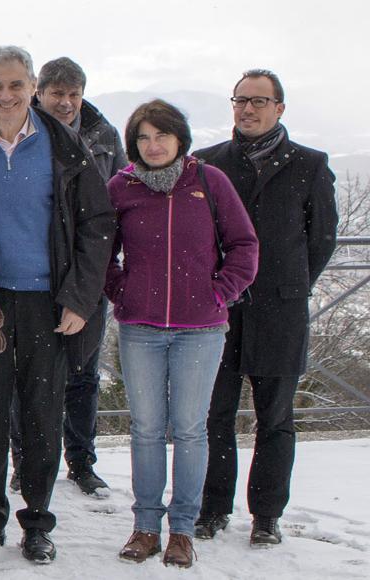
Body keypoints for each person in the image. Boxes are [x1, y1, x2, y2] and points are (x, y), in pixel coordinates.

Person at [0, 46, 114, 565]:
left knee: (42, 413)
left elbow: (97, 226)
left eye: (15, 85)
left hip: (49, 302)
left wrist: (81, 299)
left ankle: (37, 520)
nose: (6, 95)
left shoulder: (66, 147)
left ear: (32, 86)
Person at [106, 99, 260, 569]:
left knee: (191, 431)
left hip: (201, 329)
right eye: (143, 138)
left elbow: (244, 245)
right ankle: (146, 526)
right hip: (141, 328)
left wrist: (220, 293)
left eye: (162, 136)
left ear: (179, 139)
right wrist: (122, 292)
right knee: (147, 430)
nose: (153, 145)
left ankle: (183, 531)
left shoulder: (210, 182)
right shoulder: (121, 187)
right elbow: (100, 253)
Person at [195, 69, 339, 547]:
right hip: (219, 311)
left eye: (259, 101)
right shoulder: (207, 164)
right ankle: (213, 509)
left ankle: (266, 516)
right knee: (213, 415)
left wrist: (287, 287)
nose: (248, 109)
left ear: (280, 108)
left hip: (281, 313)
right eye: (241, 100)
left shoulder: (310, 164)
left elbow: (320, 242)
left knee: (275, 418)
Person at [17, 56, 127, 498]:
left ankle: (81, 462)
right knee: (23, 375)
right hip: (31, 270)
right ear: (39, 92)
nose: (64, 103)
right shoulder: (23, 130)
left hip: (87, 271)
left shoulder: (102, 135)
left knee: (82, 372)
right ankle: (23, 459)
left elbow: (117, 202)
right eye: (56, 93)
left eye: (73, 94)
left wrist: (102, 267)